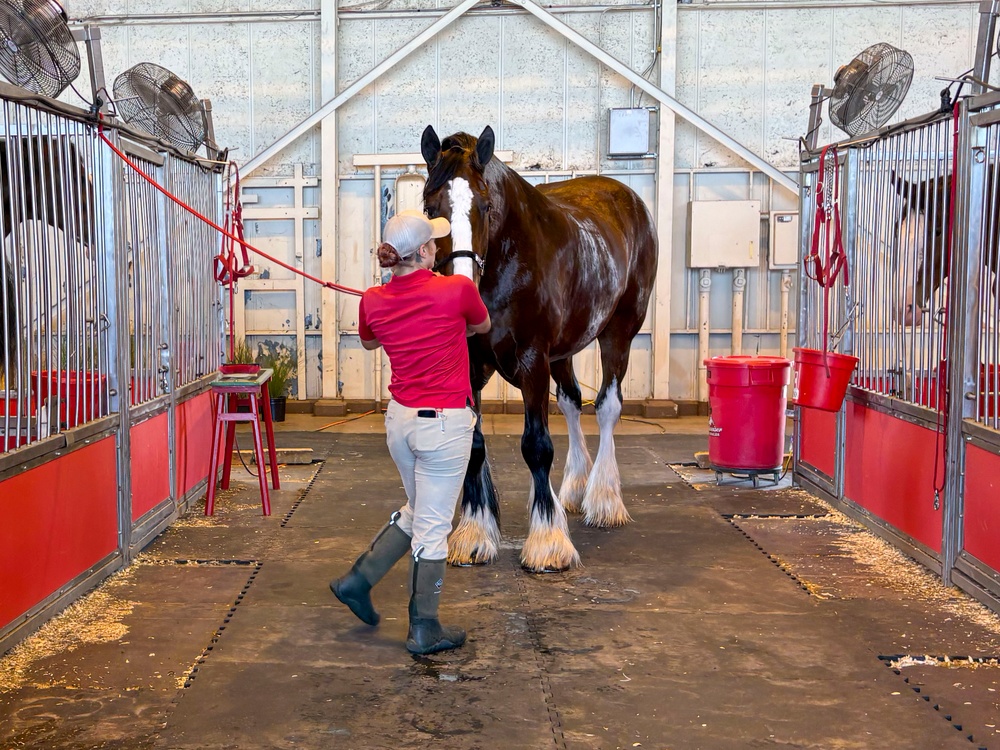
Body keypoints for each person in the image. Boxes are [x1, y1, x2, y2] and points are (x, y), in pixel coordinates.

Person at [330, 209, 491, 655]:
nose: (438, 249)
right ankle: (425, 627)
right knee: (434, 526)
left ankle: (357, 581)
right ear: (422, 251)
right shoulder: (457, 289)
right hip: (444, 424)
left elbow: (367, 341)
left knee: (419, 509)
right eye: (434, 244)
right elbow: (482, 325)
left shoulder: (372, 300)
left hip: (400, 422)